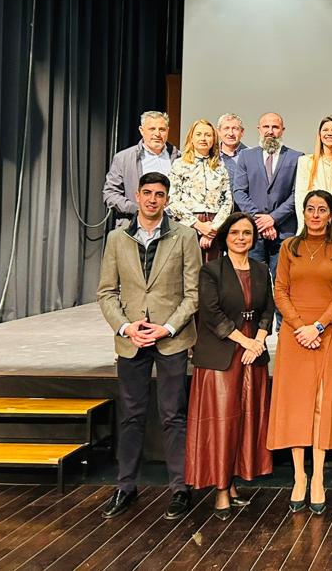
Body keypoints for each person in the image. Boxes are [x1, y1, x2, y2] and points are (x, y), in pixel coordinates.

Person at [96, 171, 200, 521]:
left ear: (167, 199)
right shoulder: (116, 238)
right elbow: (107, 292)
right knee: (131, 416)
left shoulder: (184, 236)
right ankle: (125, 486)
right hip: (132, 340)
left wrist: (166, 328)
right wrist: (127, 327)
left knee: (173, 416)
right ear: (137, 197)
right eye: (147, 193)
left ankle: (180, 489)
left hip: (170, 338)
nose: (153, 199)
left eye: (159, 194)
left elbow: (192, 294)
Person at [267, 190, 332, 515]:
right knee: (296, 403)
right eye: (311, 209)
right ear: (304, 213)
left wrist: (317, 326)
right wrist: (299, 325)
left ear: (331, 214)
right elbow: (280, 290)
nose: (316, 215)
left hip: (326, 332)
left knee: (320, 403)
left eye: (322, 210)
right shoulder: (290, 246)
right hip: (293, 333)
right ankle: (298, 476)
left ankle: (318, 476)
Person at [185, 212, 274, 520]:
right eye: (235, 232)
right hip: (223, 353)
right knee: (223, 422)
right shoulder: (211, 270)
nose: (241, 237)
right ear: (225, 237)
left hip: (253, 352)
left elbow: (267, 309)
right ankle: (221, 489)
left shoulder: (262, 269)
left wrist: (259, 340)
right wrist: (245, 341)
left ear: (254, 238)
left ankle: (234, 482)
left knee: (245, 421)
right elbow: (211, 314)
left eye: (247, 233)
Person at [232, 112, 303, 279]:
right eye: (266, 126)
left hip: (284, 233)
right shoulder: (245, 156)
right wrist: (261, 220)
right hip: (253, 231)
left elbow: (297, 194)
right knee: (254, 283)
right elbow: (239, 192)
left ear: (282, 130)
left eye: (275, 127)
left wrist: (273, 218)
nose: (270, 131)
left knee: (282, 284)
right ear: (259, 129)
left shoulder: (297, 157)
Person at [167, 119, 234, 263]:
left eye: (208, 135)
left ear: (214, 139)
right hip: (187, 226)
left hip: (214, 227)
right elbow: (172, 200)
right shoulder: (179, 164)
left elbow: (227, 200)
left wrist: (212, 230)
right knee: (187, 272)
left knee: (212, 274)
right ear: (191, 137)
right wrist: (198, 225)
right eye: (199, 134)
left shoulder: (220, 166)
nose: (203, 138)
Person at [103, 110, 180, 228]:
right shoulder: (123, 158)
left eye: (162, 129)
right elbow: (110, 194)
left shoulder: (179, 158)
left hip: (171, 226)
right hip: (134, 225)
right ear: (141, 130)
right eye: (152, 129)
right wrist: (138, 209)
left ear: (168, 131)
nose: (157, 134)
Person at [294, 116, 332, 239]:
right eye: (325, 130)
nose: (329, 133)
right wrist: (305, 226)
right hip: (313, 228)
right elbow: (300, 197)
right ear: (319, 134)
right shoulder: (306, 161)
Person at [216, 113, 248, 207]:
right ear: (218, 131)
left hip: (244, 212)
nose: (230, 133)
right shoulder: (210, 155)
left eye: (235, 129)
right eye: (226, 128)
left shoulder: (252, 155)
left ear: (242, 132)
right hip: (216, 213)